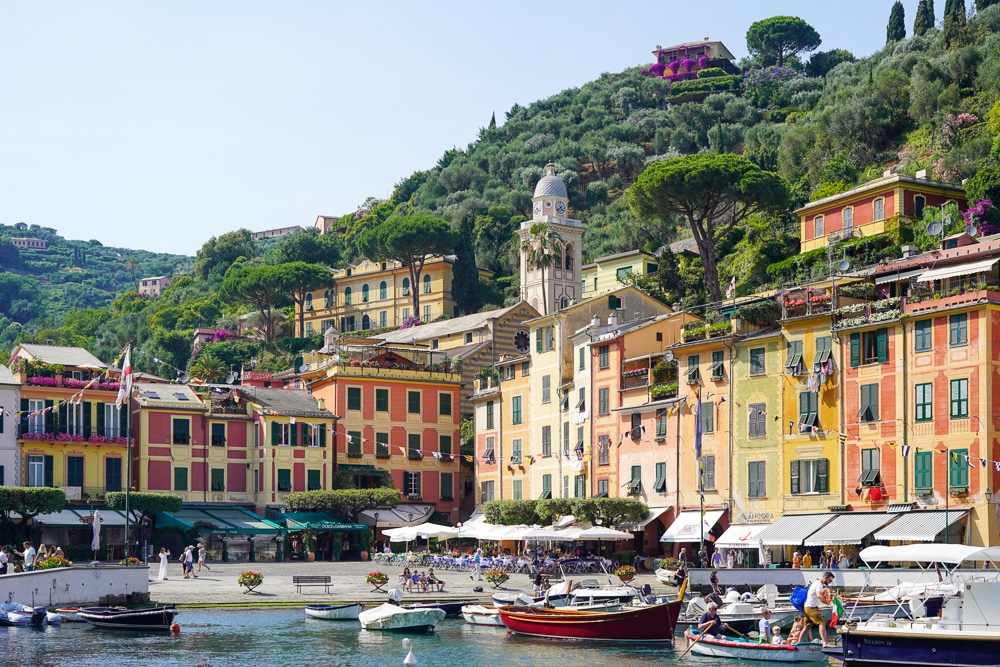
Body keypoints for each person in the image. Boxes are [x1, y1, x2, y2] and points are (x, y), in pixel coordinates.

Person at [804, 571, 836, 647]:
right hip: (812, 607)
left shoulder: (816, 582)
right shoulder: (819, 584)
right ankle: (825, 643)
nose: (830, 582)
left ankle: (798, 642)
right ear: (825, 578)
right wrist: (828, 604)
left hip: (807, 607)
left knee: (807, 627)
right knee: (822, 623)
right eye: (830, 580)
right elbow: (818, 595)